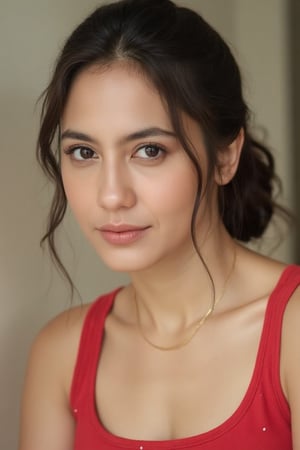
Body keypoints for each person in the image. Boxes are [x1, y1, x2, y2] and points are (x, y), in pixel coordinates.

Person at [19, 0, 300, 449]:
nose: (111, 195)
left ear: (226, 156)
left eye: (148, 150)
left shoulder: (293, 331)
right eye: (84, 153)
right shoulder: (61, 354)